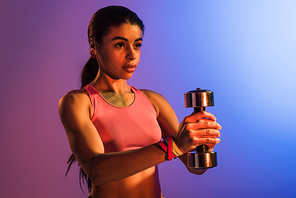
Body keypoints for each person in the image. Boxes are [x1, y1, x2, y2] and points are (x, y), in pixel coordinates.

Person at [59, 5, 222, 198]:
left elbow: (194, 167)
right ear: (94, 47)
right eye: (120, 45)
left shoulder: (153, 101)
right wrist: (173, 147)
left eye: (137, 44)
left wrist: (202, 144)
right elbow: (97, 171)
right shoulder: (78, 102)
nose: (132, 54)